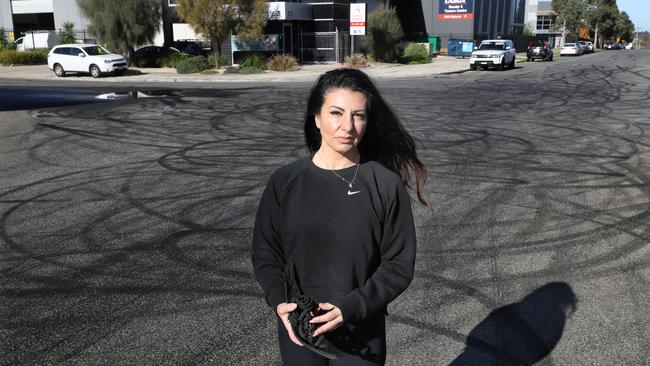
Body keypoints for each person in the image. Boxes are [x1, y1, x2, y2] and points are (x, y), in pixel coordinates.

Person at [251, 68, 428, 365]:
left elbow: (397, 265)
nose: (348, 126)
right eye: (336, 113)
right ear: (317, 118)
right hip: (300, 330)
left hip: (361, 332)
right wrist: (279, 301)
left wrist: (352, 306)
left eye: (358, 115)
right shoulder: (285, 181)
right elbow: (266, 252)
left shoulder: (384, 184)